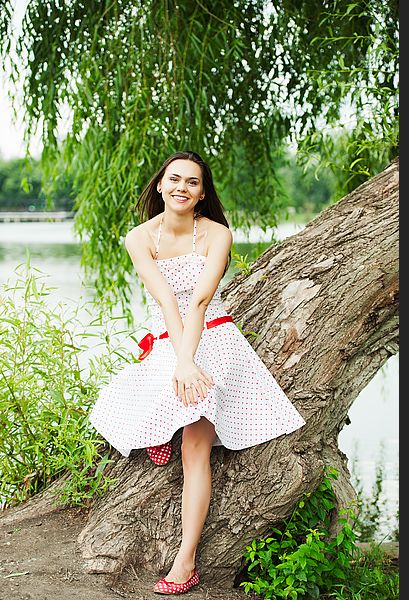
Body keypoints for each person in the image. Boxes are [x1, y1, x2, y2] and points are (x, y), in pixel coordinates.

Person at [88, 150, 306, 595]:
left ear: (203, 193)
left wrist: (191, 362)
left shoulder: (217, 234)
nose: (182, 187)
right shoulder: (139, 237)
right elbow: (168, 302)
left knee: (195, 444)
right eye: (174, 179)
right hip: (168, 335)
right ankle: (159, 426)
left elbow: (200, 303)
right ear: (161, 185)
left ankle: (185, 560)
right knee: (139, 396)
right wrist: (179, 359)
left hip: (215, 337)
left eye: (192, 182)